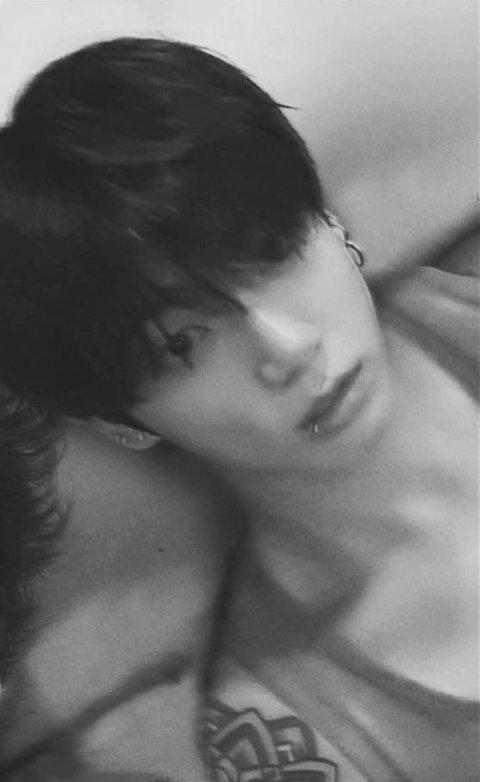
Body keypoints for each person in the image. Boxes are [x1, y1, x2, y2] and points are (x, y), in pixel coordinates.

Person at [0, 36, 477, 780]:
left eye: (274, 251)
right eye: (182, 345)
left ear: (332, 226)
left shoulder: (458, 312)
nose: (286, 347)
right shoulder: (293, 733)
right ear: (117, 420)